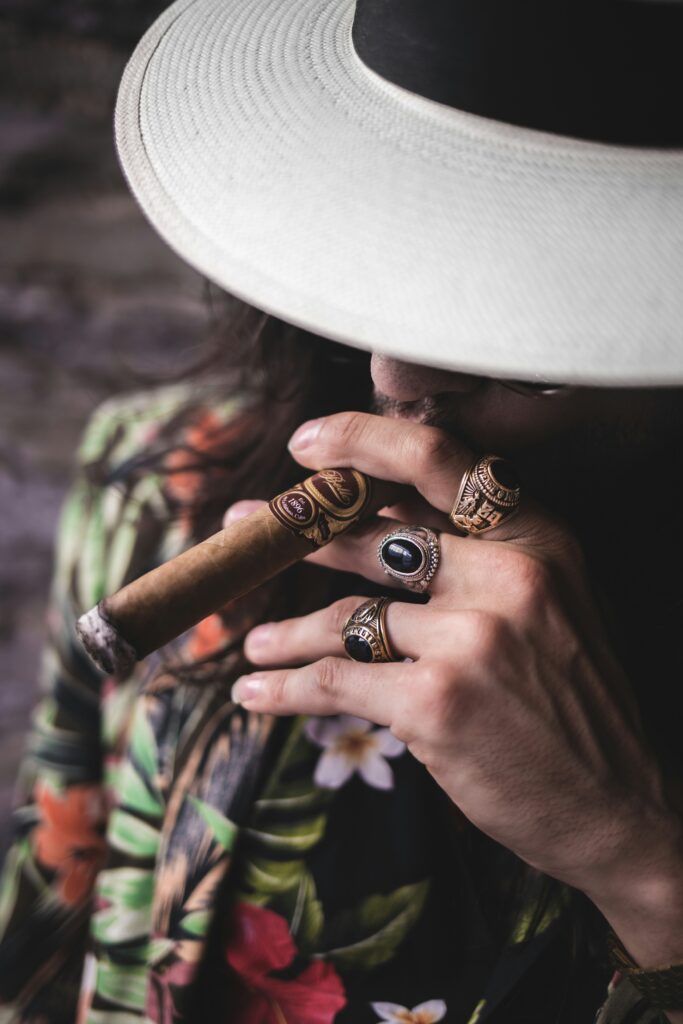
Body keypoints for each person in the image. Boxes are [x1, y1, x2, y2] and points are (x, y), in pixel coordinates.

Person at [1, 0, 682, 1022]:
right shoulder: (151, 481)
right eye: (378, 261)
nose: (394, 375)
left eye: (515, 328)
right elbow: (52, 924)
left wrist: (635, 863)